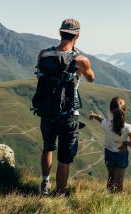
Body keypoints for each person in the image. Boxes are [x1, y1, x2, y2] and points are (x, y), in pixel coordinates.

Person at [33, 18, 95, 196]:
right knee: (65, 157)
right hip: (68, 113)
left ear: (60, 33)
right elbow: (91, 78)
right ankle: (59, 193)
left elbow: (40, 77)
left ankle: (45, 184)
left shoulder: (44, 54)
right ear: (78, 36)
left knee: (47, 147)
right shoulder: (80, 60)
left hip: (47, 110)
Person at [89, 97, 131, 193]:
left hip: (109, 154)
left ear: (111, 111)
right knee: (119, 180)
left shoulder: (107, 124)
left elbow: (100, 119)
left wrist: (94, 115)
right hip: (121, 155)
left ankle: (108, 197)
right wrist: (125, 143)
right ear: (125, 110)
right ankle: (117, 199)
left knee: (111, 177)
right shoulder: (128, 128)